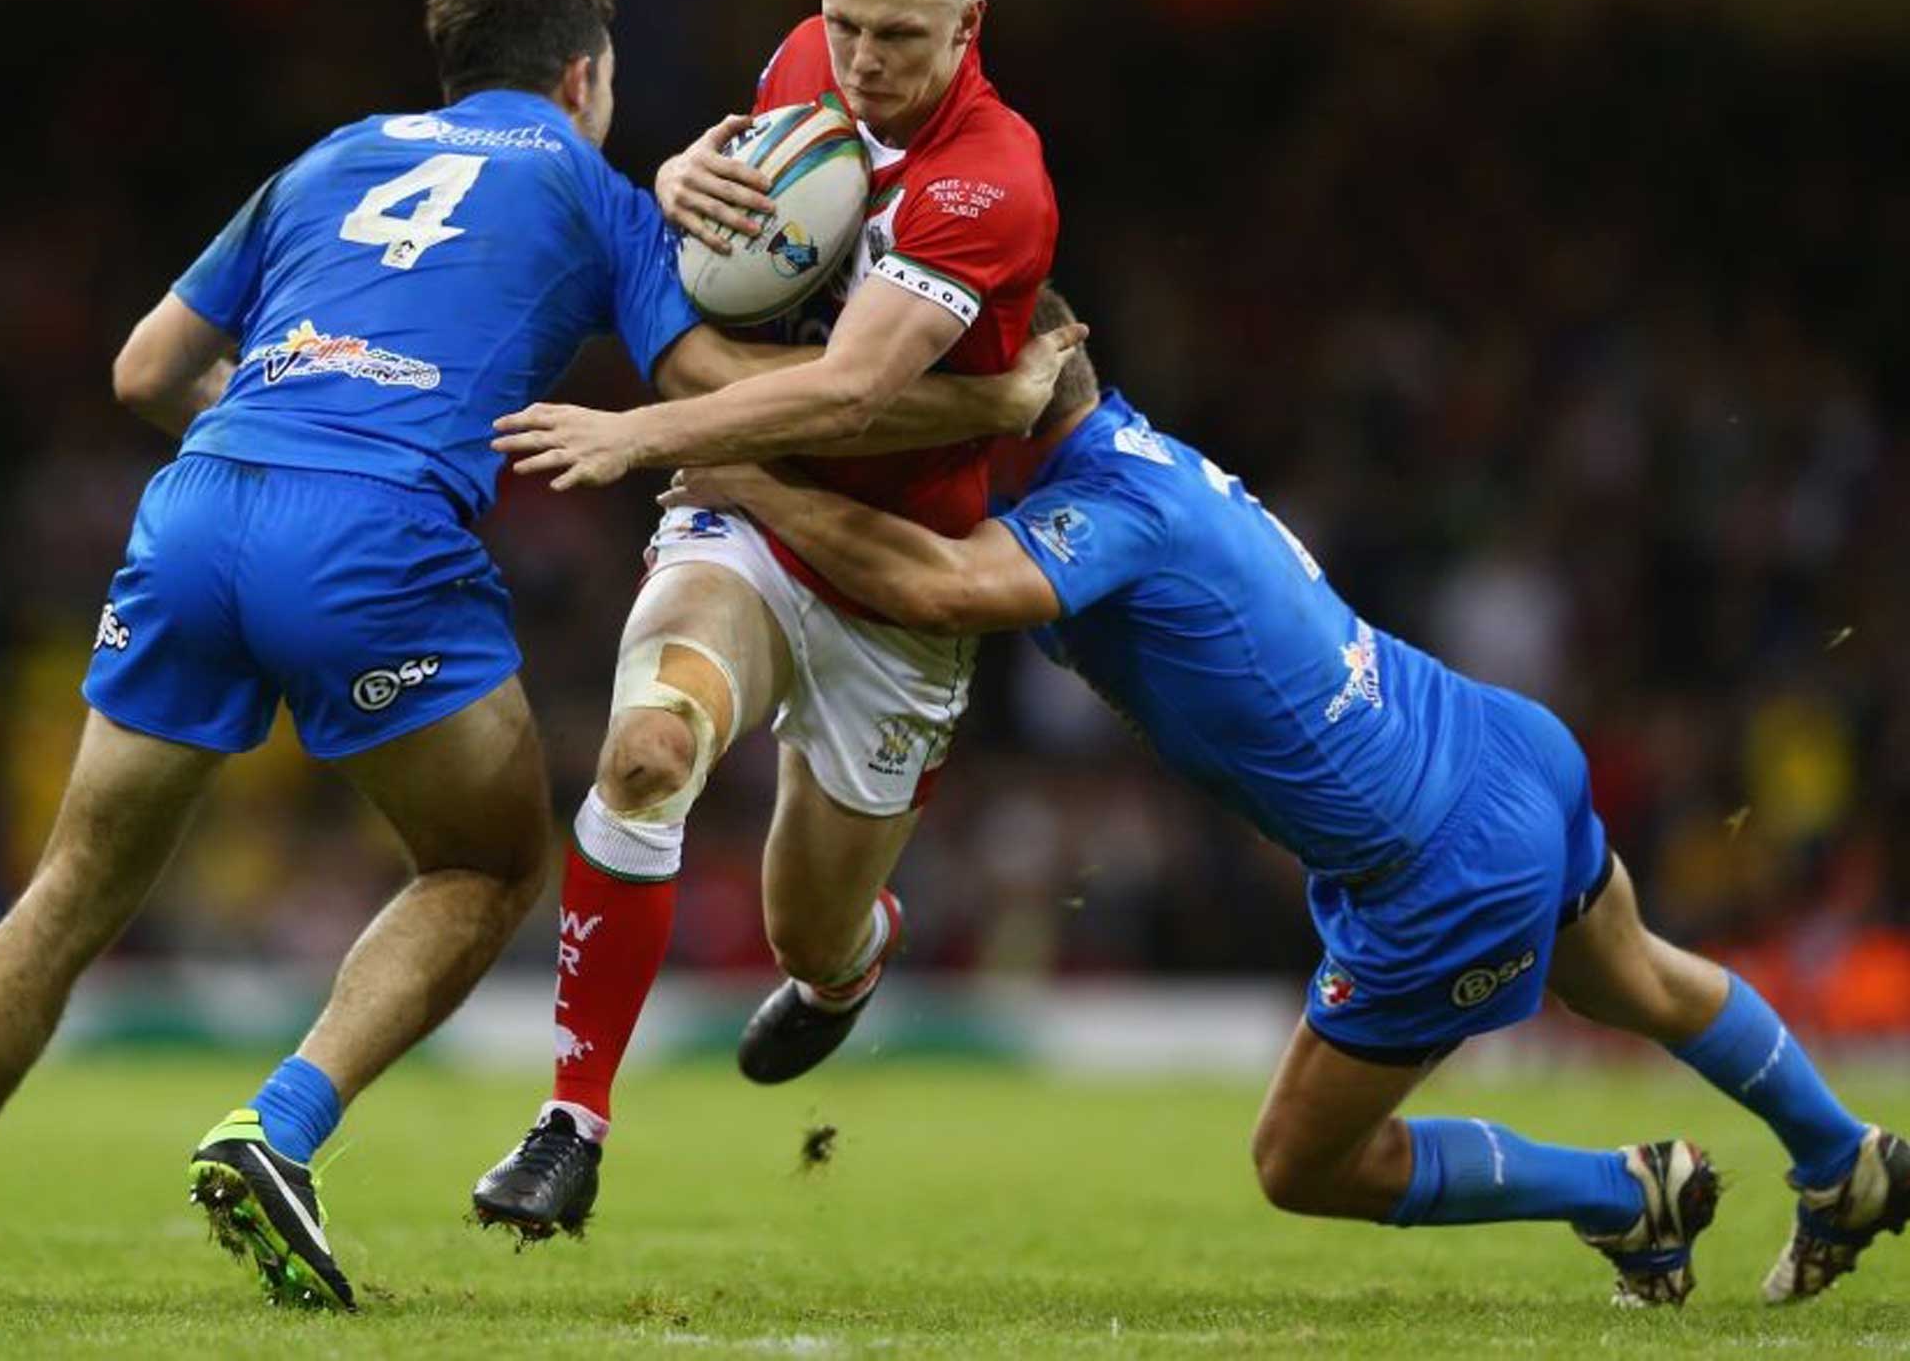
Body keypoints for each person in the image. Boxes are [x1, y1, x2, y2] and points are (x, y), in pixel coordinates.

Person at [657, 286, 1910, 1309]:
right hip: (1494, 744)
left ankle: (1616, 1194)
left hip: (1437, 861)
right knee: (1629, 977)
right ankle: (1836, 1152)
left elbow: (937, 589)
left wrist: (761, 490)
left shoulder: (1109, 505)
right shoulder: (1129, 453)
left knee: (1299, 1162)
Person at [471, 0, 1061, 1241]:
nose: (861, 64)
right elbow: (740, 222)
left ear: (968, 26)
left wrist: (639, 431)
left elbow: (848, 391)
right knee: (647, 753)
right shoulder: (809, 63)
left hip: (893, 571)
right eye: (845, 24)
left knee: (808, 931)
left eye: (901, 38)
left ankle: (847, 969)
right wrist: (680, 174)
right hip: (744, 507)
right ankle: (572, 1128)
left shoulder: (994, 179)